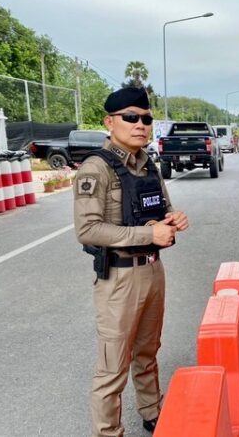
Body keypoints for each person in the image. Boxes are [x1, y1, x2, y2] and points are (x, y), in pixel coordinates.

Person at [73, 87, 189, 437]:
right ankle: (108, 431)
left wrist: (173, 220)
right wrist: (147, 234)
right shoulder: (96, 168)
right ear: (109, 122)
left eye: (147, 118)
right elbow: (88, 229)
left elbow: (160, 210)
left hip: (153, 271)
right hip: (119, 279)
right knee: (113, 366)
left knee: (148, 351)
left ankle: (152, 412)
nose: (141, 124)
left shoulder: (148, 164)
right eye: (131, 117)